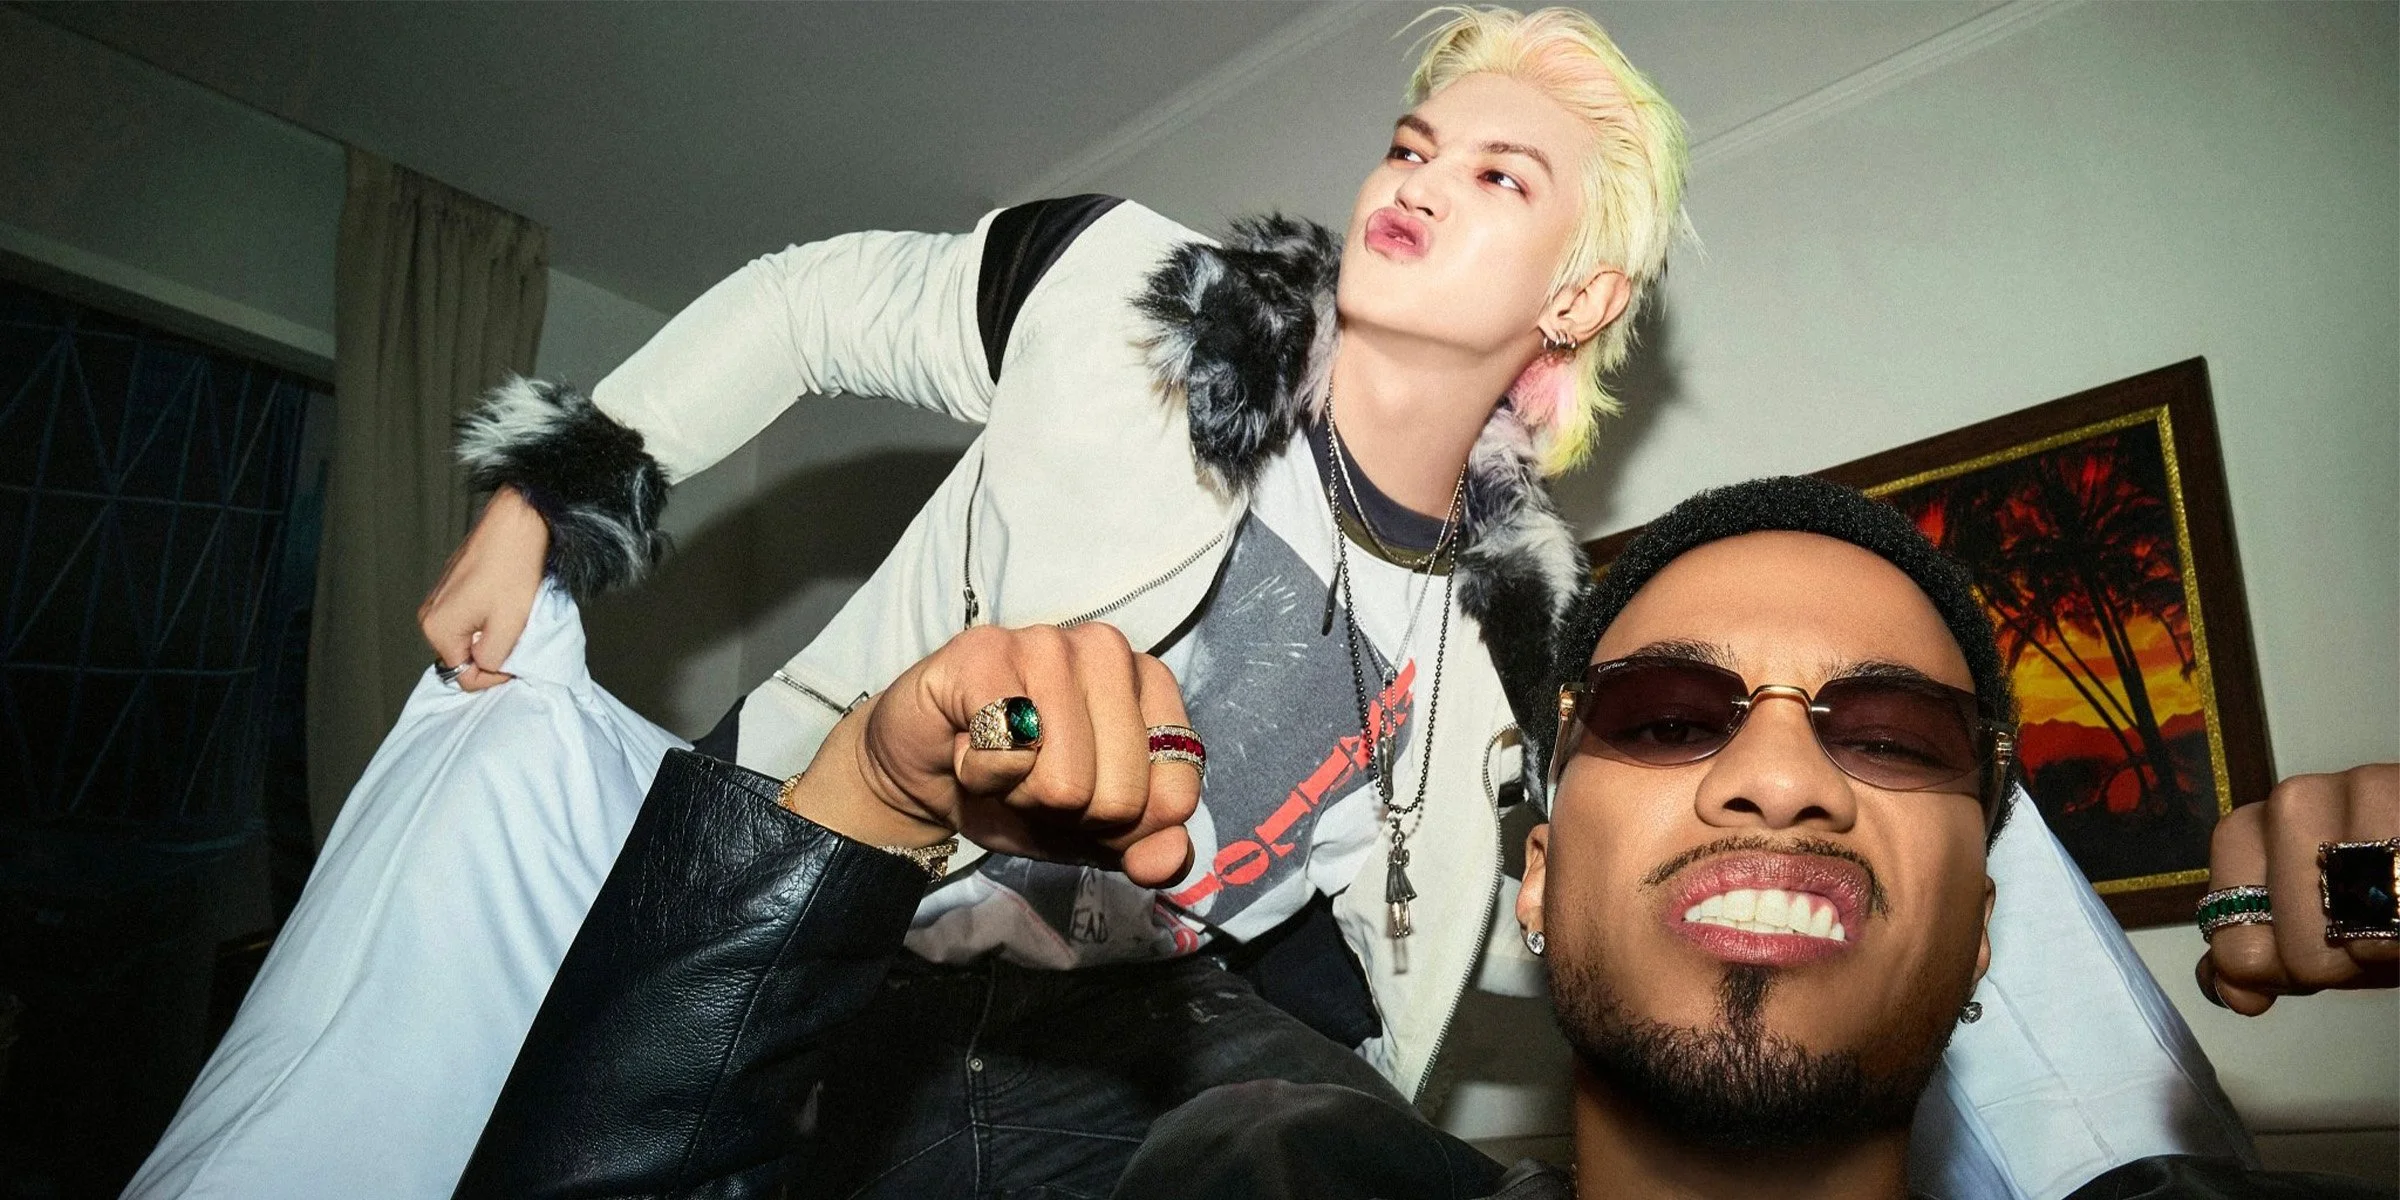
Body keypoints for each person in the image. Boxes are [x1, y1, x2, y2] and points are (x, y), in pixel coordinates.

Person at [134, 8, 2271, 1198]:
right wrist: (553, 501)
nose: (1417, 179)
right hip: (821, 910)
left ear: (1578, 296)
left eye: (1499, 177)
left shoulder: (1527, 636)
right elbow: (810, 302)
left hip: (1134, 1040)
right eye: (1415, 141)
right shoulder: (1130, 300)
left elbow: (1504, 929)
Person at [456, 476, 2396, 1200]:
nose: (1780, 773)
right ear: (1534, 881)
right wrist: (866, 798)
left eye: (1889, 736)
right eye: (1670, 712)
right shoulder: (1289, 1177)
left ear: (1983, 933)